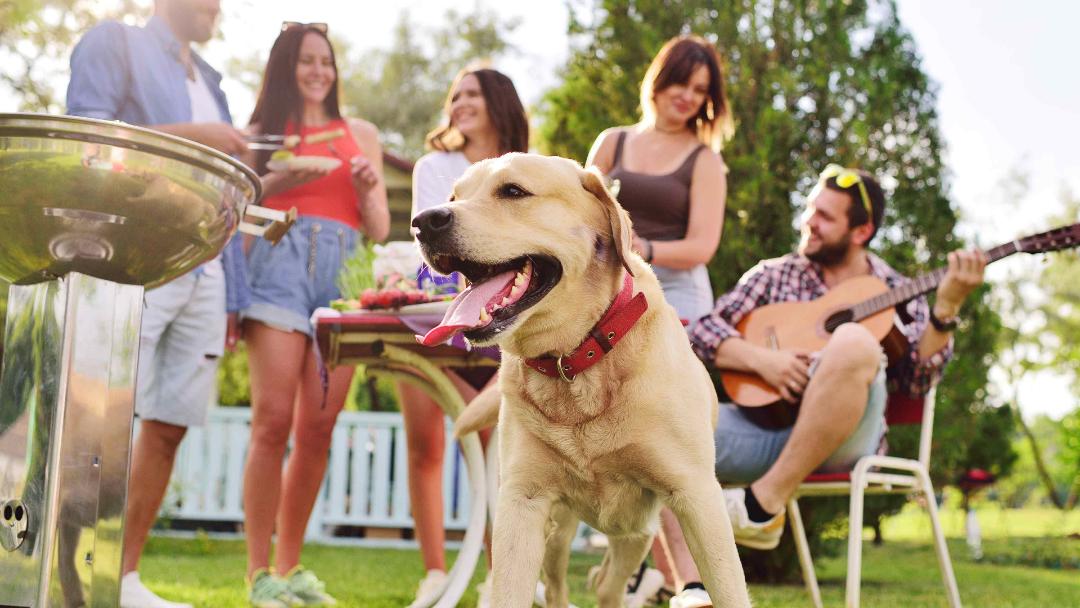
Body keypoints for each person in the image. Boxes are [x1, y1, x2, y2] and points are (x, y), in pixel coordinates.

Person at [661, 165, 987, 608]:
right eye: (811, 210)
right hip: (768, 431)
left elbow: (915, 380)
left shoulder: (893, 287)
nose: (808, 222)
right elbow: (698, 329)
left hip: (849, 439)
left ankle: (762, 505)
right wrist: (763, 360)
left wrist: (945, 311)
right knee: (662, 434)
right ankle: (696, 591)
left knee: (853, 339)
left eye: (825, 217)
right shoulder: (775, 274)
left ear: (862, 230)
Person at [65, 2, 259, 607]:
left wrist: (235, 293)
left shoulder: (214, 82)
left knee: (170, 426)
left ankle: (121, 579)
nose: (217, 8)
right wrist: (198, 141)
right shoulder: (114, 43)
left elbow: (230, 194)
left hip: (209, 274)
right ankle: (70, 577)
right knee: (97, 419)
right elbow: (89, 137)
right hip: (133, 259)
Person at [237, 22, 390, 608]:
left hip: (343, 275)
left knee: (318, 429)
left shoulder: (360, 133)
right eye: (306, 60)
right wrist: (280, 176)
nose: (318, 71)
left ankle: (291, 567)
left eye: (325, 61)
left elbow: (377, 228)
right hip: (277, 263)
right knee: (272, 422)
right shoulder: (260, 133)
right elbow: (240, 210)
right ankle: (259, 576)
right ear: (286, 66)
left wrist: (372, 186)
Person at [585, 34, 733, 606]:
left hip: (675, 298)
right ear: (658, 77)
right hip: (606, 293)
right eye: (681, 83)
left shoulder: (704, 159)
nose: (688, 98)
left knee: (667, 440)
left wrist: (636, 242)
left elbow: (701, 246)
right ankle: (639, 572)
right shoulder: (613, 142)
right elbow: (578, 209)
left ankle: (691, 585)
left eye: (701, 91)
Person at [404, 67, 529, 608]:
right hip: (436, 308)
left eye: (473, 94)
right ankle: (435, 572)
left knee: (499, 448)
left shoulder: (523, 170)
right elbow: (435, 247)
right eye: (454, 95)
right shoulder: (435, 166)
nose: (459, 103)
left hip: (504, 314)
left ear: (499, 102)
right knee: (426, 443)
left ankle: (503, 576)